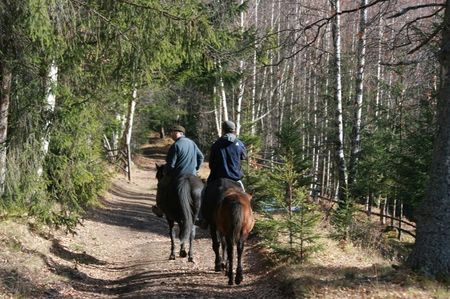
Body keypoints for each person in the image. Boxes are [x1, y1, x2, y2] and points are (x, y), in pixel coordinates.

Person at [196, 120, 247, 228]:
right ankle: (247, 219)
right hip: (235, 179)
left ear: (223, 130)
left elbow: (211, 164)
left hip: (218, 179)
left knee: (204, 193)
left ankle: (202, 219)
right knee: (245, 198)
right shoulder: (239, 143)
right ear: (234, 130)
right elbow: (244, 156)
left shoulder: (216, 144)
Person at [152, 125, 204, 217]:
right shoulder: (192, 143)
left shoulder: (175, 145)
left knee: (161, 185)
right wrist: (195, 169)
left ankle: (160, 209)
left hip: (178, 176)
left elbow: (170, 165)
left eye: (173, 132)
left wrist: (166, 173)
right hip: (192, 175)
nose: (171, 134)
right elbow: (201, 157)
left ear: (179, 133)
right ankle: (201, 216)